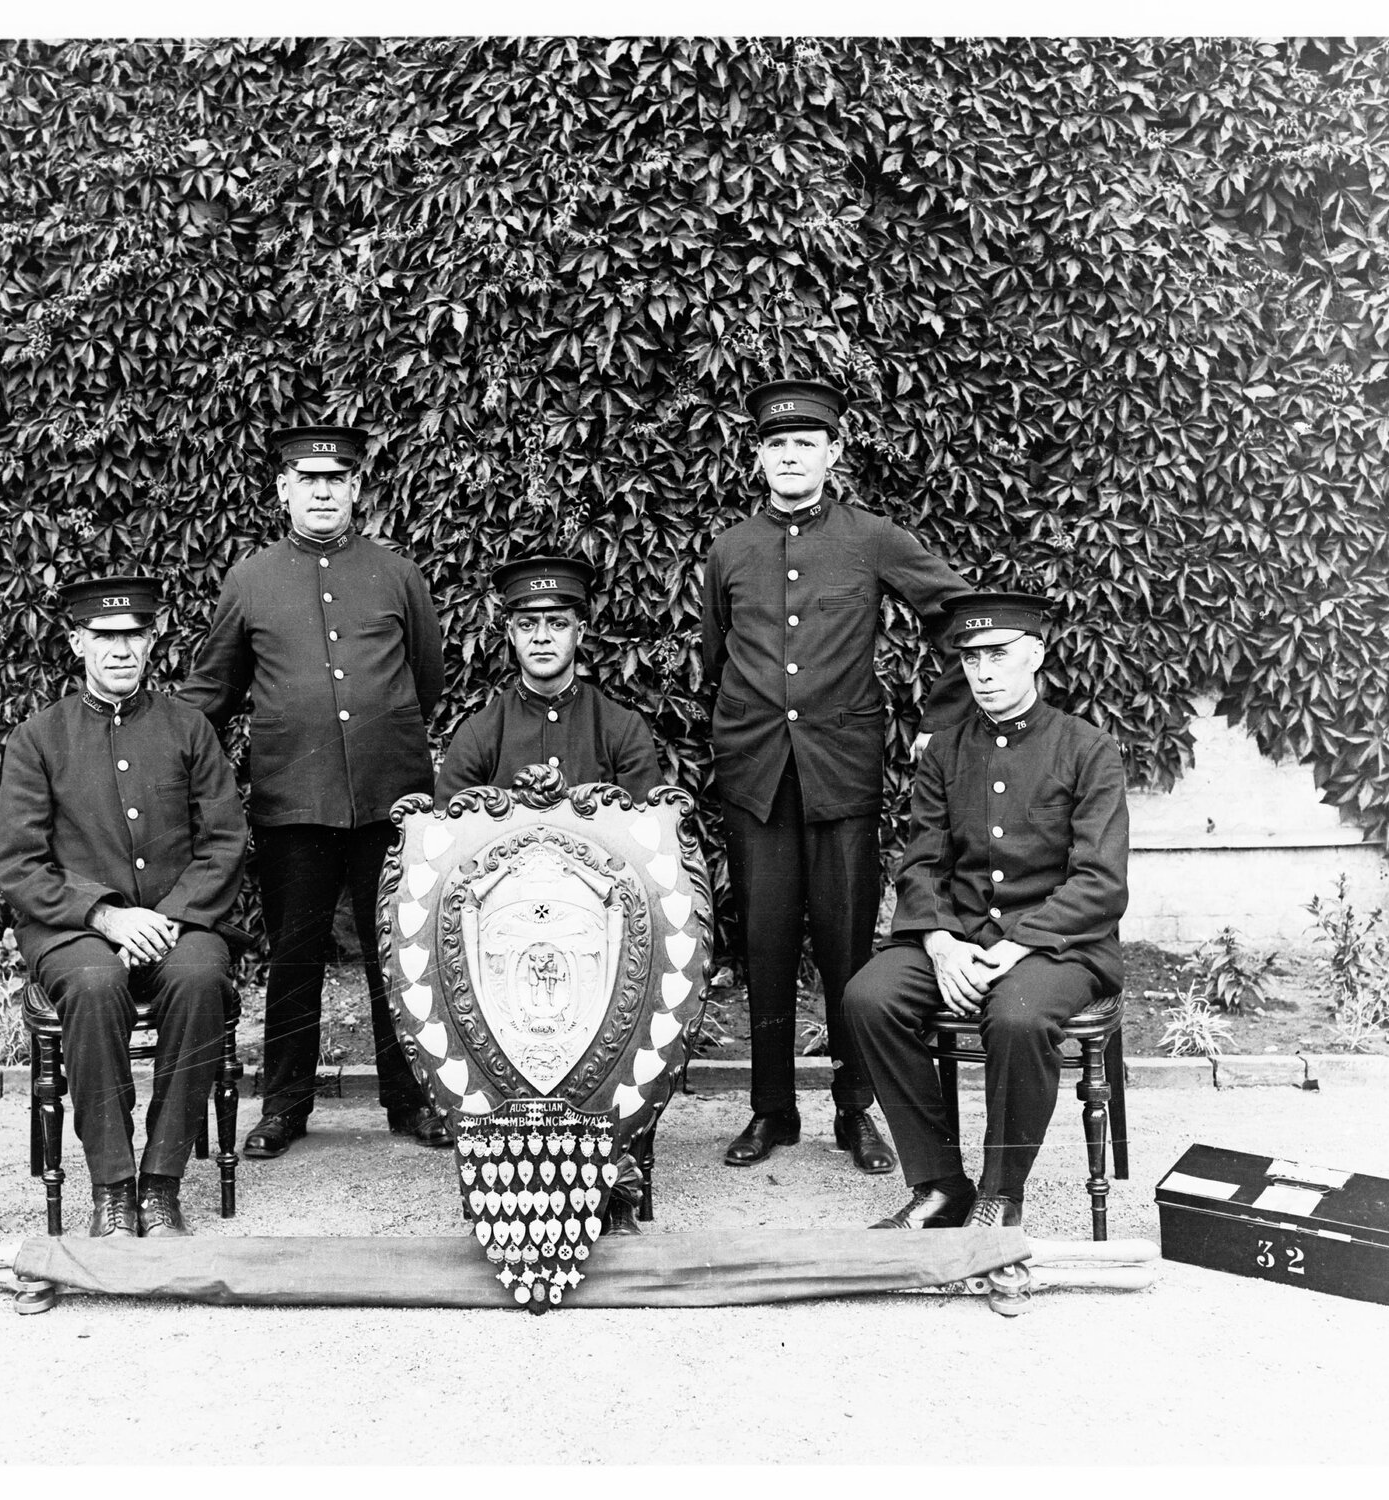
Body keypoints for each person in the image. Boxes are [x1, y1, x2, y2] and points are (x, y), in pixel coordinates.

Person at [700, 377, 973, 1177]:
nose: (791, 457)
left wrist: (939, 720)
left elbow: (960, 614)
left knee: (851, 949)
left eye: (806, 444)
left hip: (841, 773)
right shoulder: (730, 549)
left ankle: (856, 1113)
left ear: (832, 453)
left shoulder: (871, 538)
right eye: (777, 445)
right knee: (765, 944)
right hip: (757, 776)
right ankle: (771, 1111)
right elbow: (718, 658)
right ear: (758, 456)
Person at [179, 423, 451, 1155]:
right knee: (294, 957)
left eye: (337, 480)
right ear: (284, 492)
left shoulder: (397, 575)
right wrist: (156, 740)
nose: (323, 492)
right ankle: (285, 1109)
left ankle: (412, 1102)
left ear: (357, 489)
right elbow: (215, 688)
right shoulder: (251, 579)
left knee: (400, 954)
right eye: (309, 481)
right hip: (291, 800)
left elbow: (425, 681)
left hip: (390, 800)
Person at [844, 591, 1129, 1230]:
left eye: (999, 655)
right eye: (971, 659)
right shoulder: (944, 752)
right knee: (870, 997)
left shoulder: (1087, 749)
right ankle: (942, 1184)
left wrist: (1018, 944)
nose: (985, 673)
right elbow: (919, 865)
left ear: (1036, 654)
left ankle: (1002, 1195)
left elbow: (1101, 882)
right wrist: (942, 943)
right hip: (961, 938)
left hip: (1060, 945)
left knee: (1020, 1015)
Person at [0, 573, 248, 1238]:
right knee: (97, 981)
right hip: (74, 930)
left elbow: (225, 841)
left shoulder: (188, 730)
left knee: (198, 977)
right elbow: (17, 863)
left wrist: (167, 918)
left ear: (153, 637)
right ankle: (111, 1187)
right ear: (78, 641)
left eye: (133, 634)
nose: (120, 649)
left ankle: (160, 1184)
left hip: (176, 920)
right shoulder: (38, 740)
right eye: (104, 636)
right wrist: (105, 916)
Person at [434, 554, 663, 802]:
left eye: (558, 624)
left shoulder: (621, 730)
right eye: (527, 625)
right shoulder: (477, 737)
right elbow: (452, 832)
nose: (541, 637)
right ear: (511, 633)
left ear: (580, 632)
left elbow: (647, 831)